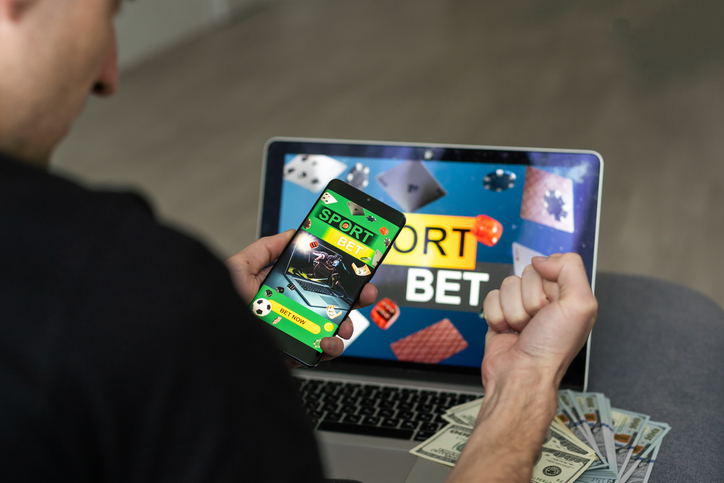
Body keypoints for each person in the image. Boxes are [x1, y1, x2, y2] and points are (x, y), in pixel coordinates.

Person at [0, 1, 598, 482]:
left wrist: (228, 352)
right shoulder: (137, 290)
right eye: (107, 11)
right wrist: (522, 386)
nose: (109, 73)